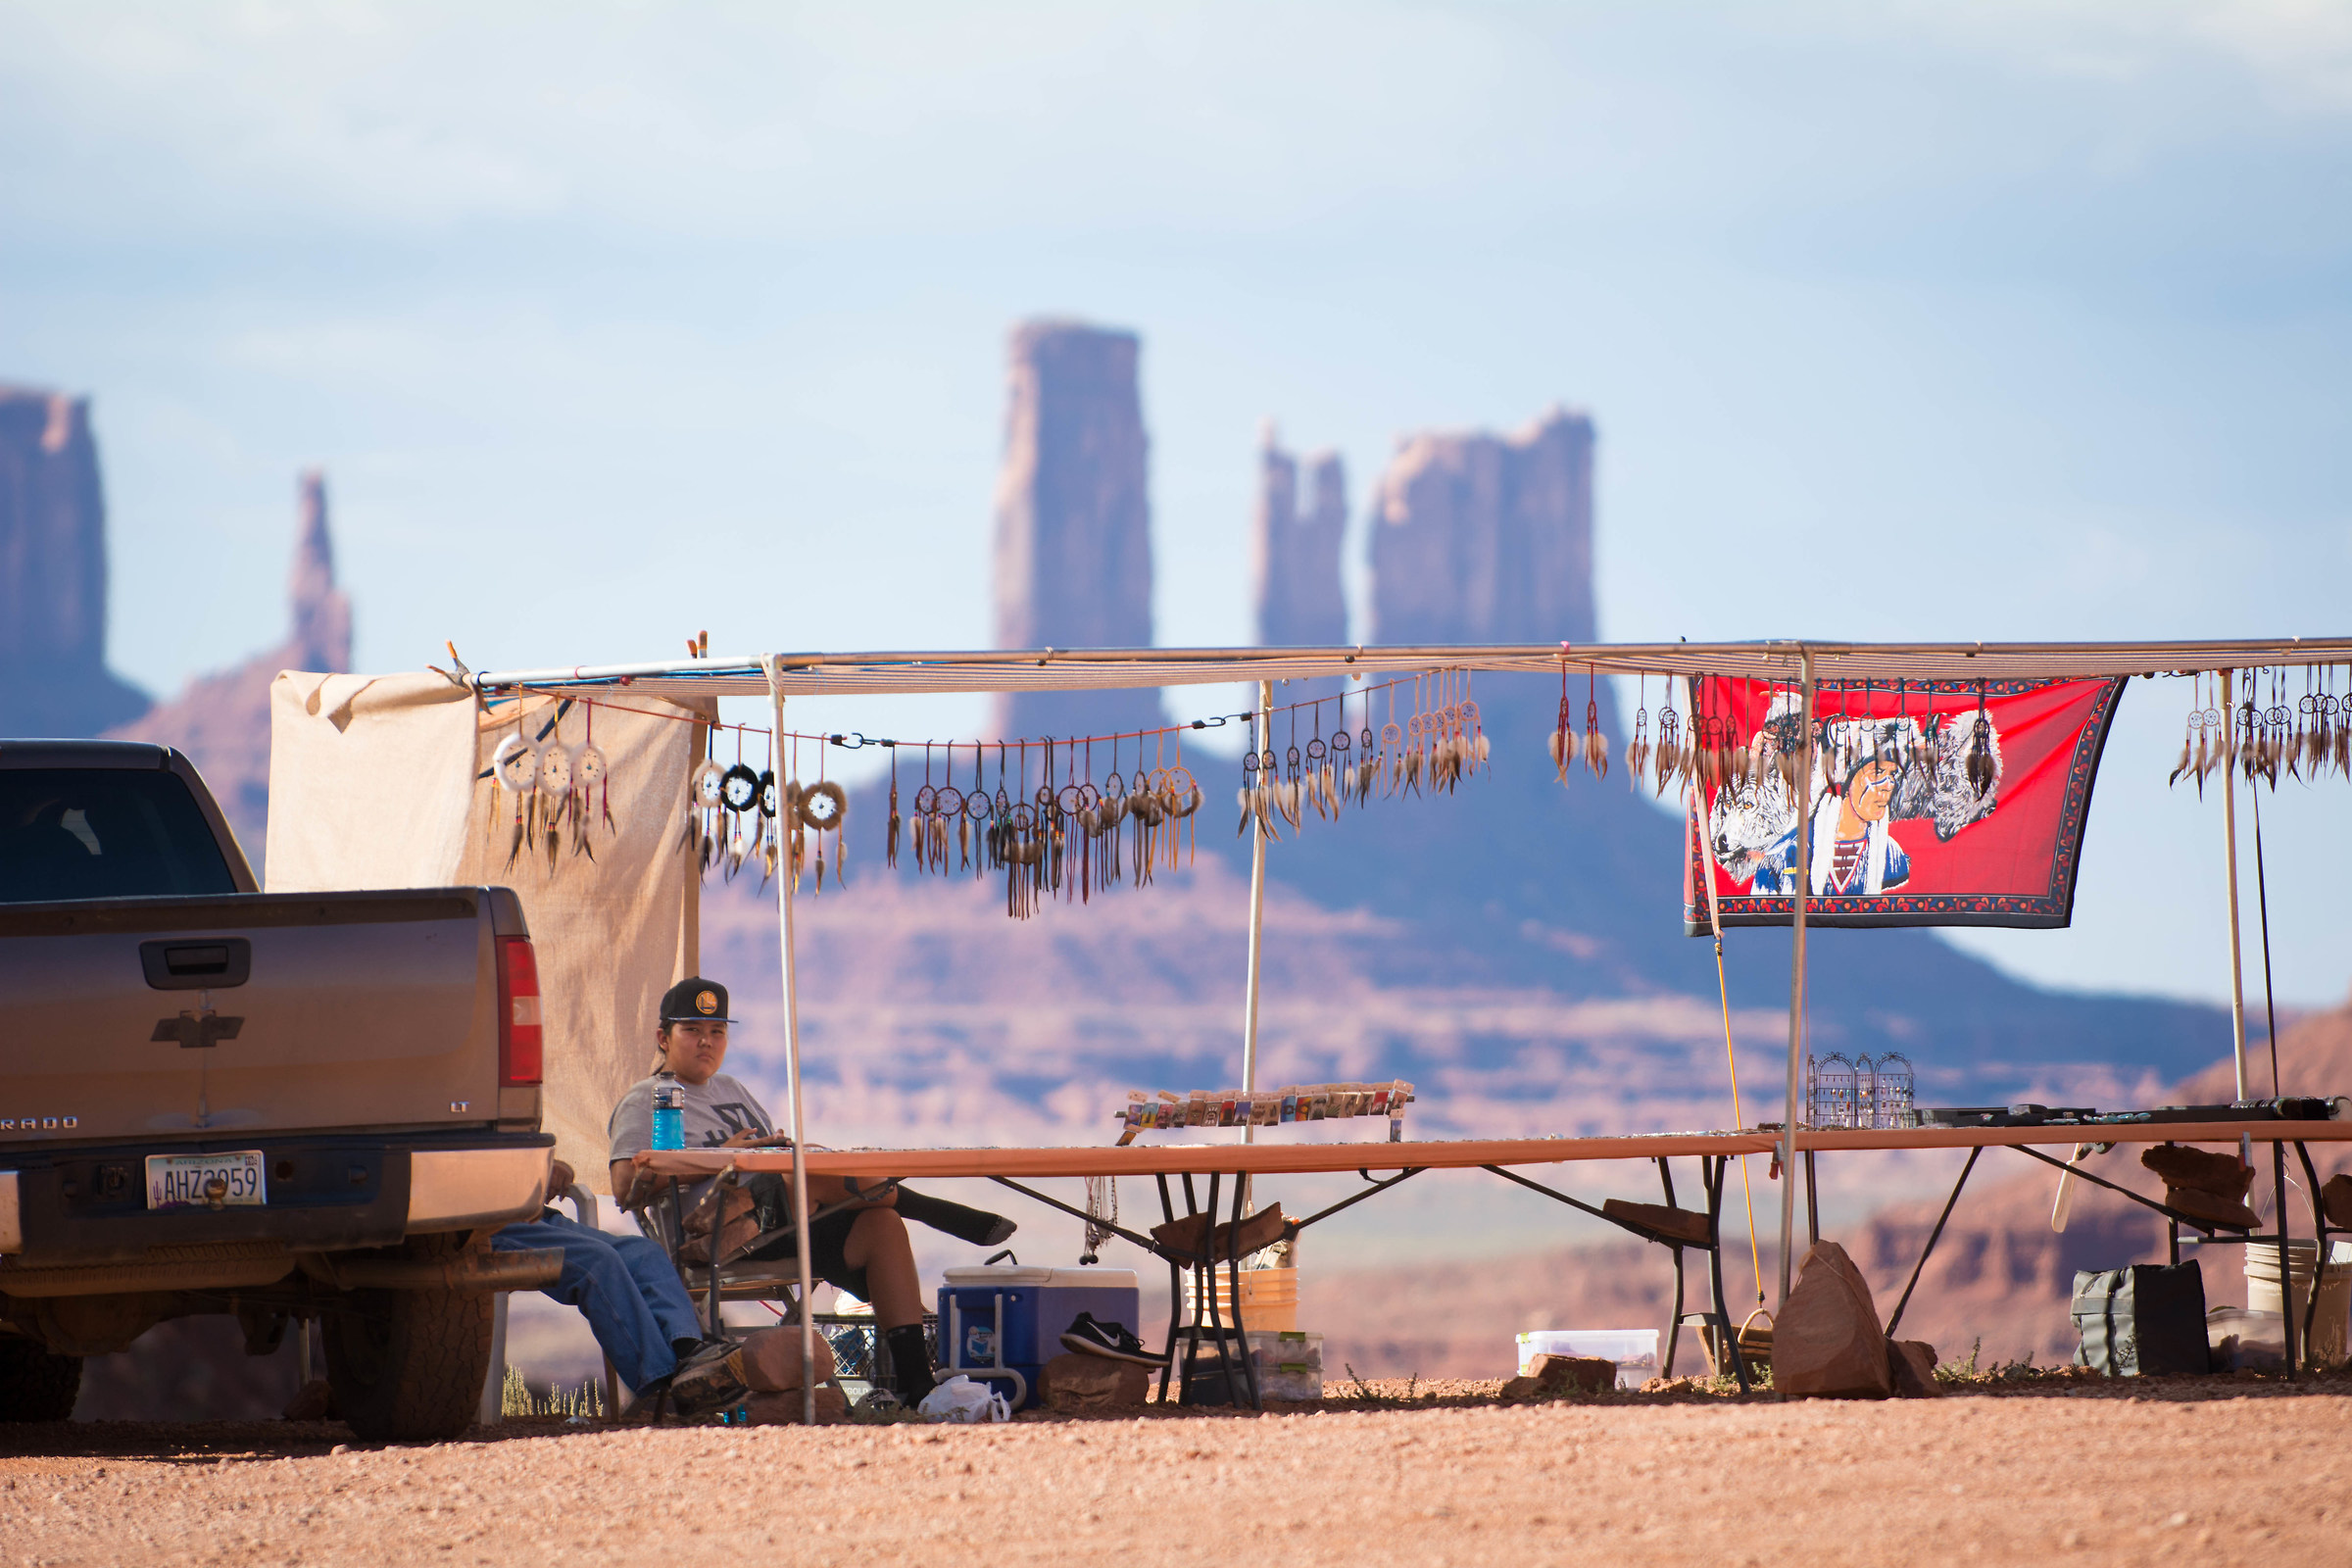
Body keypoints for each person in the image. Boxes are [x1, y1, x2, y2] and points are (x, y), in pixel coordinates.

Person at [609, 977, 964, 1407]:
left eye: (717, 1032)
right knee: (803, 1173)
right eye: (693, 1031)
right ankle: (914, 1201)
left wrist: (774, 1149)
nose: (707, 1042)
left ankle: (916, 1385)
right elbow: (624, 1187)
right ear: (663, 1038)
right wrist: (720, 1157)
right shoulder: (646, 1098)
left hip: (775, 1221)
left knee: (879, 1224)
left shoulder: (732, 1089)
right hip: (713, 1234)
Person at [488, 1160, 750, 1417]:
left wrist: (545, 1164)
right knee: (599, 1261)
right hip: (490, 1220)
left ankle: (688, 1351)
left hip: (535, 1214)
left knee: (645, 1253)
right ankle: (670, 1378)